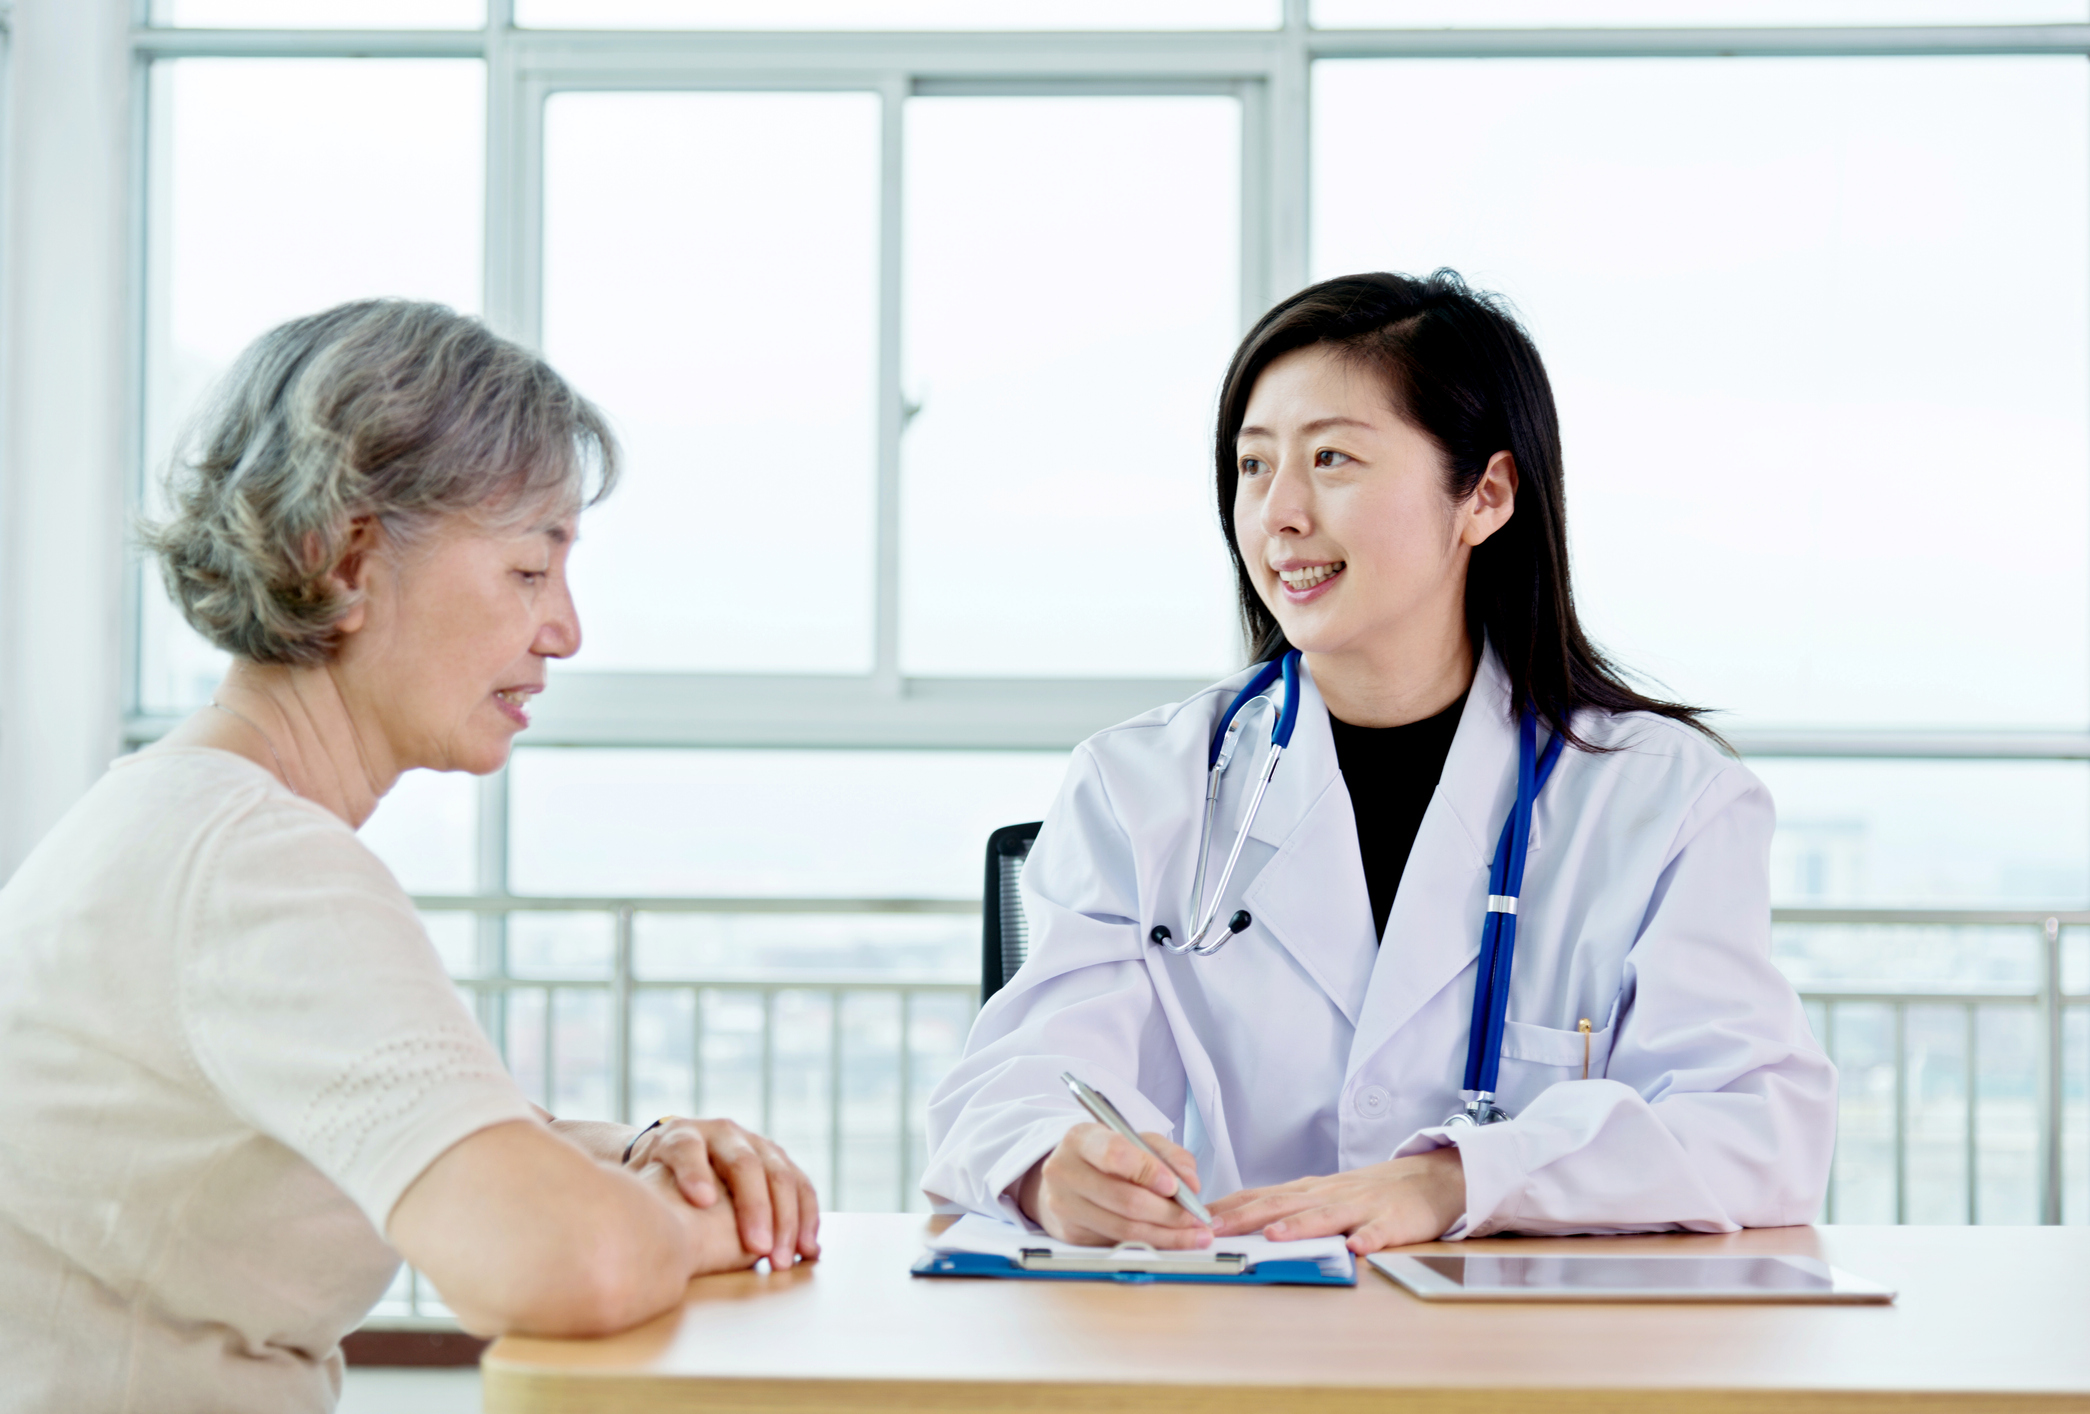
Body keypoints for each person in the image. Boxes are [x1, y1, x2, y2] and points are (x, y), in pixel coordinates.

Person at [0, 300, 819, 1414]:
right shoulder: (256, 863)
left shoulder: (182, 817)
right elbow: (558, 1261)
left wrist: (639, 1151)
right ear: (342, 557)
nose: (565, 629)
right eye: (530, 570)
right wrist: (703, 1225)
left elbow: (387, 1115)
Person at [923, 270, 1836, 1254]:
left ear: (1484, 494)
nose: (1278, 512)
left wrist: (1452, 1181)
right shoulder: (1145, 785)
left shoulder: (1664, 798)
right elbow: (1017, 1076)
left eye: (1332, 459)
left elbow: (1758, 1128)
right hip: (1229, 1352)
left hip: (1529, 1363)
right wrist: (1058, 1167)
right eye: (1252, 464)